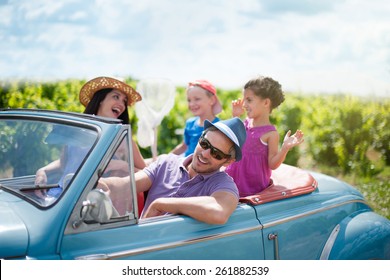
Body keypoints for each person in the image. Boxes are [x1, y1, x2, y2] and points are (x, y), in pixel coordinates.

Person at [99, 117, 247, 224]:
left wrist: (162, 204)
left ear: (228, 161)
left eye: (217, 154)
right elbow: (125, 184)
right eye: (204, 143)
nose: (205, 153)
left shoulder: (223, 184)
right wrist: (99, 184)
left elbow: (219, 212)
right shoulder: (166, 162)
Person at [35, 76, 147, 201]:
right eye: (116, 97)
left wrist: (121, 165)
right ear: (101, 100)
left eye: (124, 101)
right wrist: (42, 171)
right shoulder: (77, 130)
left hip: (91, 204)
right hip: (59, 198)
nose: (121, 104)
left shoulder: (122, 138)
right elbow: (64, 164)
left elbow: (148, 174)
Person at [225, 76, 304, 197]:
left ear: (266, 103)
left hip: (252, 189)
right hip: (232, 181)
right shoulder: (244, 123)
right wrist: (234, 117)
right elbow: (230, 141)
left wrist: (284, 148)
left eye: (249, 100)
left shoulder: (270, 134)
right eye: (244, 100)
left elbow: (272, 164)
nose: (244, 104)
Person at [171, 80, 222, 156]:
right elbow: (184, 147)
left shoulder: (218, 127)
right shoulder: (190, 123)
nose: (191, 104)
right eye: (189, 100)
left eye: (197, 99)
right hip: (185, 162)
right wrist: (165, 157)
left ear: (212, 100)